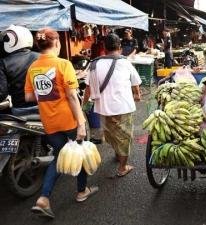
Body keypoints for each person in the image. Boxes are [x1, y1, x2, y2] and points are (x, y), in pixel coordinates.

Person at [25, 28, 98, 219]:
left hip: (49, 121)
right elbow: (73, 96)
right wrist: (81, 122)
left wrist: (47, 97)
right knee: (80, 154)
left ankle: (44, 198)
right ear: (57, 43)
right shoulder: (63, 64)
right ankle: (82, 191)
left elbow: (29, 96)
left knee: (59, 156)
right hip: (68, 120)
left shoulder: (33, 68)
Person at [83, 33, 142, 177]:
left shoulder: (94, 64)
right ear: (120, 47)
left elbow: (88, 89)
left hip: (103, 108)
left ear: (104, 47)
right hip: (124, 108)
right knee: (124, 137)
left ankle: (118, 154)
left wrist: (83, 107)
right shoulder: (126, 62)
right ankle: (122, 167)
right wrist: (137, 95)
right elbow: (135, 84)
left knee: (111, 134)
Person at [0, 25, 39, 114]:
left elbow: (2, 93)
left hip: (20, 111)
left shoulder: (3, 62)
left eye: (6, 39)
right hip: (44, 107)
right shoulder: (42, 58)